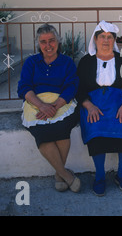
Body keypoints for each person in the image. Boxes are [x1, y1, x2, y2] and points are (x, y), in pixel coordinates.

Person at [76, 20, 122, 196]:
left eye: (109, 37)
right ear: (95, 40)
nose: (105, 40)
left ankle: (121, 174)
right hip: (93, 104)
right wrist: (88, 105)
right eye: (102, 37)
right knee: (95, 125)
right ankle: (100, 176)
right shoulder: (86, 62)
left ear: (114, 40)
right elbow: (78, 88)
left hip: (119, 103)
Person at [17, 23, 80, 192]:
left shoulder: (67, 62)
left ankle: (59, 175)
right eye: (43, 42)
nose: (48, 45)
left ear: (58, 41)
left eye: (51, 40)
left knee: (62, 129)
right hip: (36, 103)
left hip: (61, 102)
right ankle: (65, 175)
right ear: (39, 44)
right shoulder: (31, 62)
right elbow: (24, 87)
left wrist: (56, 105)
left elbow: (72, 86)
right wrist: (42, 106)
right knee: (42, 133)